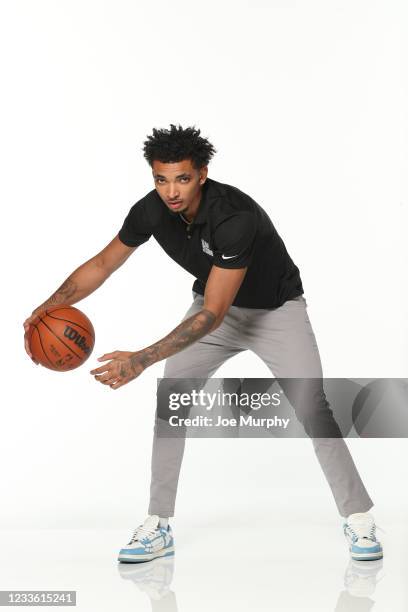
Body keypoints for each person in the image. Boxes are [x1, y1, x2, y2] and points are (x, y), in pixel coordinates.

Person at [23, 123, 383, 564]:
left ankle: (358, 516)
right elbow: (102, 264)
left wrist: (140, 359)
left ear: (202, 174)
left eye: (182, 178)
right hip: (216, 311)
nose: (171, 191)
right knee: (173, 400)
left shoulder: (235, 217)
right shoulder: (151, 211)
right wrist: (45, 307)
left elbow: (211, 314)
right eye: (161, 179)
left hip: (275, 312)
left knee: (313, 405)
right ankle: (158, 524)